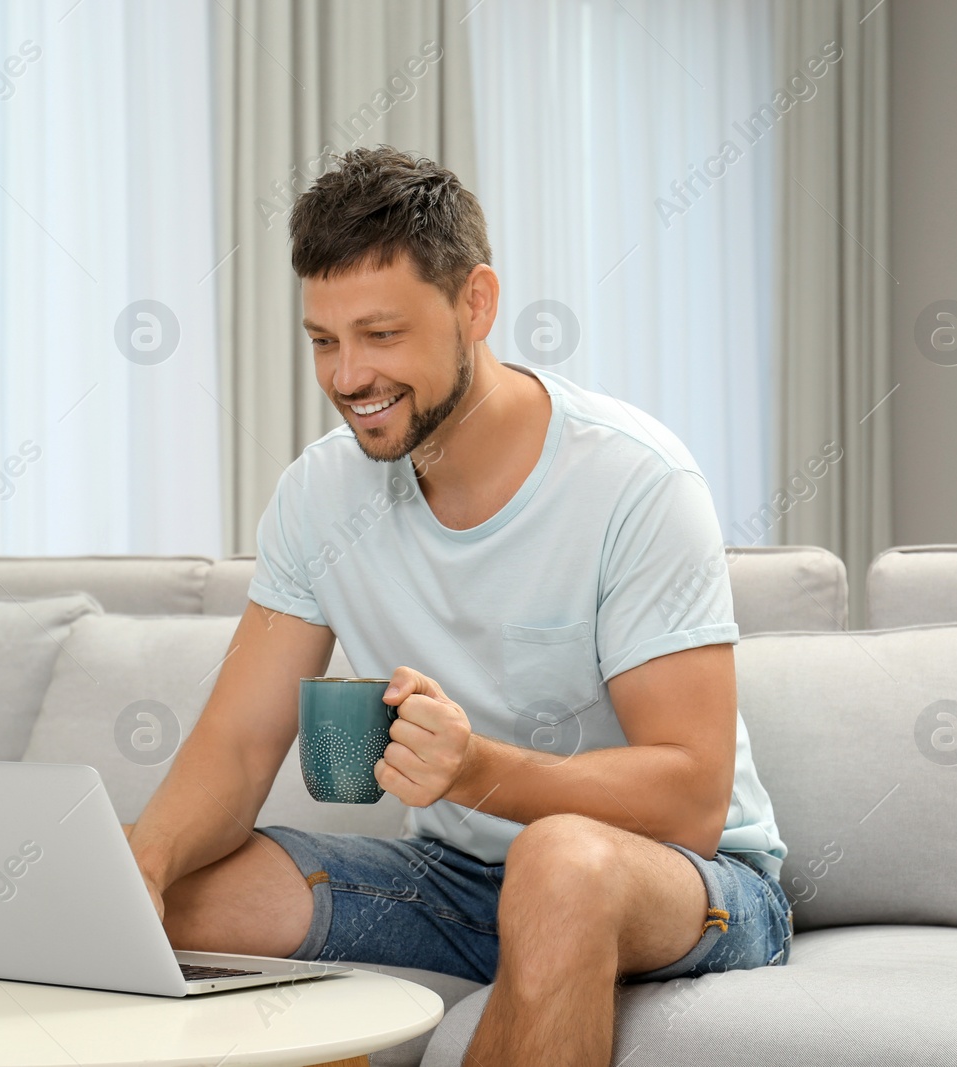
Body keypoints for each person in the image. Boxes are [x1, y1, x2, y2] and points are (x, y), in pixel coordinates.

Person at [126, 145, 790, 1065]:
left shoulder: (634, 480)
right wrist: (141, 867)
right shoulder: (318, 497)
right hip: (452, 879)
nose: (348, 376)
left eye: (381, 334)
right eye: (324, 340)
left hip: (684, 881)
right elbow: (239, 744)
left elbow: (691, 801)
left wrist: (476, 767)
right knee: (166, 894)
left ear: (474, 304)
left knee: (559, 861)